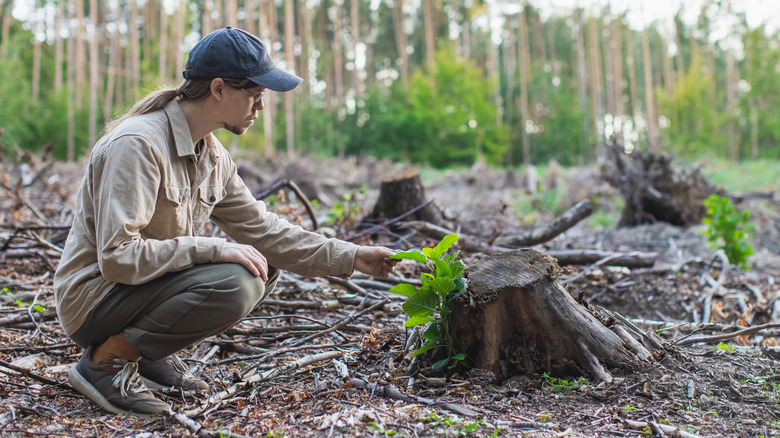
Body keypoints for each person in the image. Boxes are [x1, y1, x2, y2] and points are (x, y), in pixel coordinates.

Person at [53, 26, 397, 417]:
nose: (260, 107)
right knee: (237, 282)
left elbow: (267, 232)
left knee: (262, 262)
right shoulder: (139, 144)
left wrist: (352, 257)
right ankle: (106, 363)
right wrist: (213, 248)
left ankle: (144, 356)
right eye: (254, 94)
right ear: (218, 89)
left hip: (135, 292)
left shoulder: (212, 156)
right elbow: (117, 257)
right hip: (94, 299)